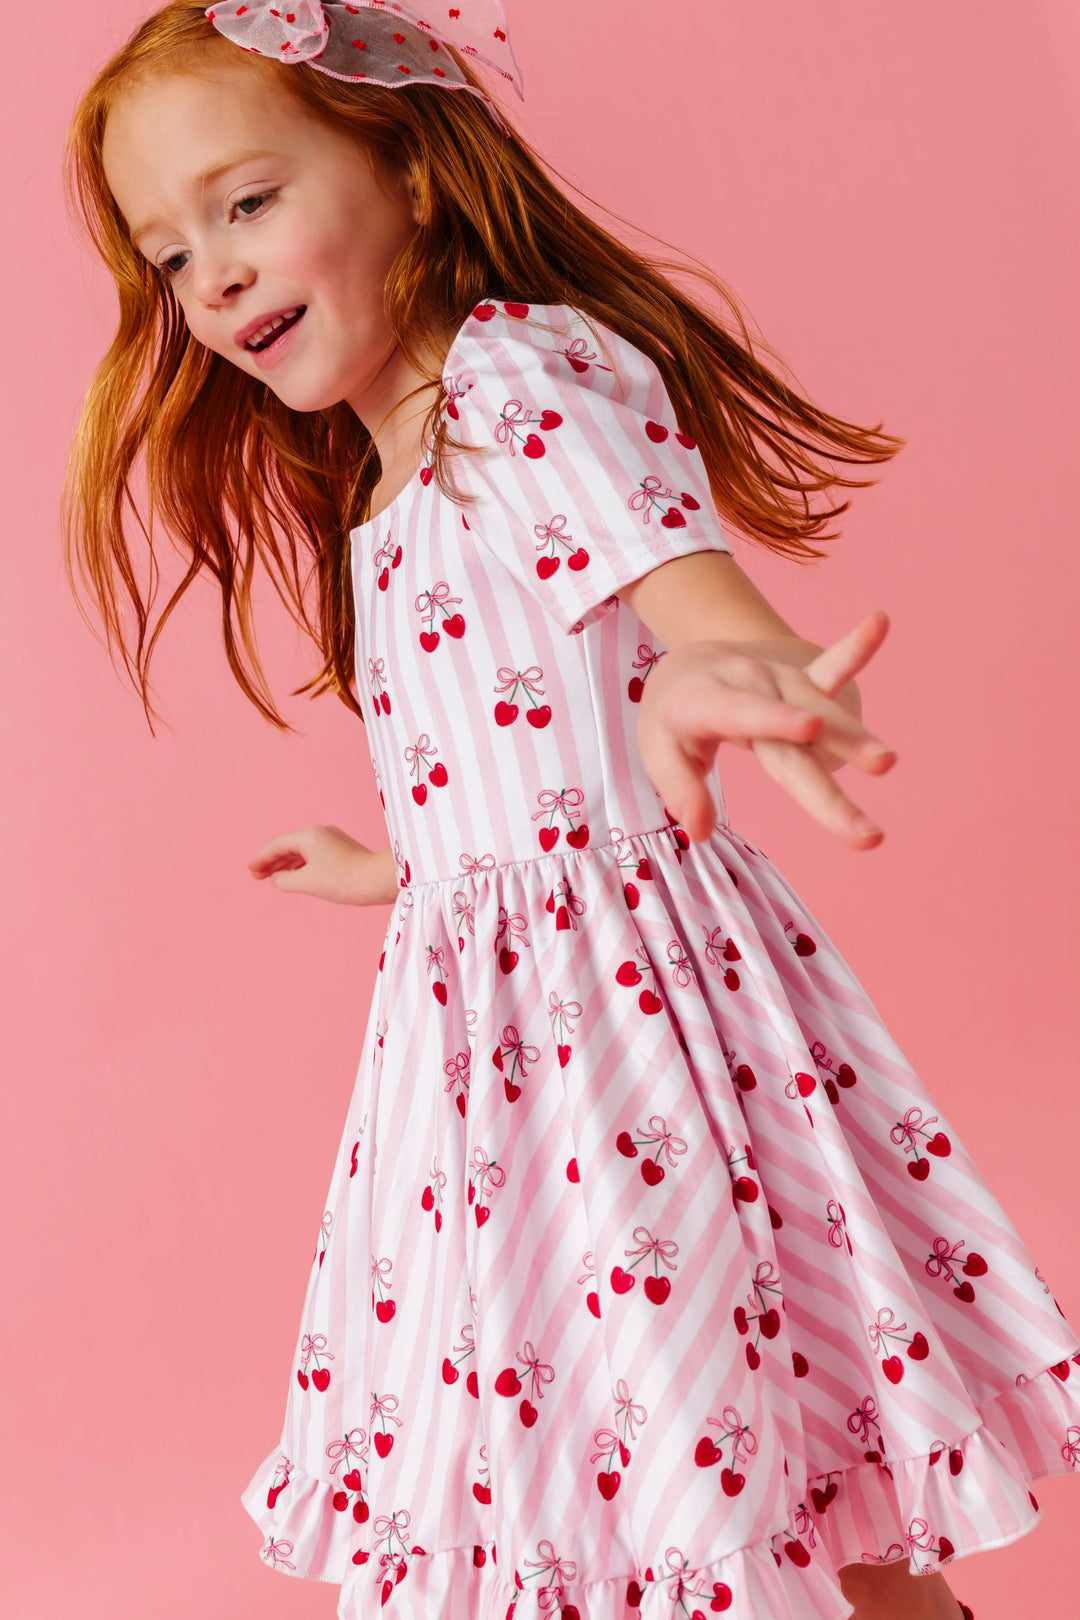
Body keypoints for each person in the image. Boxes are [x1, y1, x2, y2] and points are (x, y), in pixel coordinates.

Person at [61, 4, 1078, 1618]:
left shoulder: (519, 376)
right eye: (170, 255)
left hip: (624, 1043)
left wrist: (731, 676)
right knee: (713, 1463)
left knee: (729, 1460)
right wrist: (407, 871)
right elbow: (516, 762)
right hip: (491, 1061)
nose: (215, 276)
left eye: (244, 203)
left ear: (400, 160)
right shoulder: (384, 488)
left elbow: (692, 602)